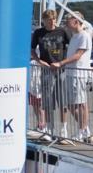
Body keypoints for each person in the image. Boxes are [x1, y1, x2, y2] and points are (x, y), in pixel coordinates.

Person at [29, 9, 70, 140]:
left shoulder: (62, 31)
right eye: (48, 19)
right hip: (46, 69)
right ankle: (50, 129)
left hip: (61, 69)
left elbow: (70, 48)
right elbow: (32, 50)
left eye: (53, 19)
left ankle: (63, 129)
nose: (51, 21)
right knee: (47, 100)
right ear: (44, 20)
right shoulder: (38, 32)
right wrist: (39, 61)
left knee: (62, 100)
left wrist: (63, 62)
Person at [55, 12, 93, 144]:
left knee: (81, 104)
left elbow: (78, 55)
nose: (66, 21)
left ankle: (82, 131)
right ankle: (85, 130)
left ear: (76, 21)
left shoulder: (84, 36)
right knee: (73, 104)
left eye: (68, 19)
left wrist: (61, 63)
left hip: (79, 74)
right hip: (71, 73)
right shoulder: (75, 37)